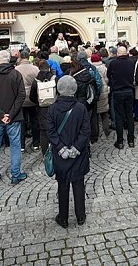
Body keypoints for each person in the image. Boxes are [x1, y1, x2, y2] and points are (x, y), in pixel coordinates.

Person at [48, 76, 91, 229]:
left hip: (60, 155)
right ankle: (80, 216)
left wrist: (61, 148)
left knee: (63, 185)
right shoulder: (80, 108)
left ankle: (63, 218)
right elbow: (86, 131)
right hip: (78, 154)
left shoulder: (52, 109)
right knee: (78, 184)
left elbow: (50, 131)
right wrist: (76, 148)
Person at [0, 49, 28, 185]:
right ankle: (15, 174)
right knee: (15, 145)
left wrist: (1, 114)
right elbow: (21, 95)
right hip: (13, 117)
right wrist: (10, 113)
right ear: (9, 59)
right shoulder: (16, 74)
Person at [106, 45, 136, 149]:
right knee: (129, 115)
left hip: (118, 91)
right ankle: (131, 140)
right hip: (129, 90)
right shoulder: (131, 62)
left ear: (118, 54)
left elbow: (108, 75)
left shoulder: (113, 63)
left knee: (118, 116)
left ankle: (120, 141)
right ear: (126, 53)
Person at [30, 59, 57, 154]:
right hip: (54, 107)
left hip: (41, 108)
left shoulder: (36, 81)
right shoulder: (54, 78)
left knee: (43, 132)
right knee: (55, 129)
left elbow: (32, 96)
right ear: (48, 68)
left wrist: (38, 102)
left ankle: (45, 153)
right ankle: (55, 150)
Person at [15, 49, 40, 152]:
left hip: (20, 98)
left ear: (20, 57)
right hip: (33, 97)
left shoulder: (16, 69)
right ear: (29, 56)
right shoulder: (35, 69)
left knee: (21, 122)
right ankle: (36, 143)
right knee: (34, 120)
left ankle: (21, 145)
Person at [90, 53, 111, 137]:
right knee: (104, 113)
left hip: (95, 92)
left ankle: (96, 133)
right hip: (104, 91)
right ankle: (107, 130)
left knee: (95, 115)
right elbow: (107, 79)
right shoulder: (104, 68)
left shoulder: (91, 69)